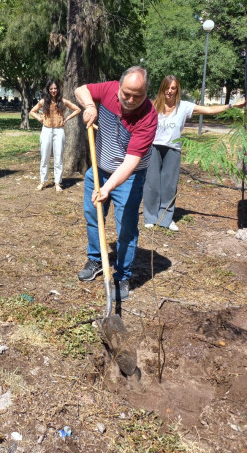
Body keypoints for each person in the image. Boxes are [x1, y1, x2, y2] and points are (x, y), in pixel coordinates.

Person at [75, 66, 158, 301]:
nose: (130, 100)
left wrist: (108, 187)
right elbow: (81, 89)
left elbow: (130, 162)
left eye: (137, 95)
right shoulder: (109, 89)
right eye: (126, 93)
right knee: (93, 215)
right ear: (119, 87)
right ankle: (96, 259)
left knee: (126, 228)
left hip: (128, 176)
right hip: (99, 168)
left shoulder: (149, 117)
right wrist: (91, 105)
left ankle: (122, 276)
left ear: (146, 92)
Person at [143, 75, 245, 231]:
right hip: (154, 147)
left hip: (173, 149)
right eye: (167, 87)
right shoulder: (153, 105)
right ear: (162, 88)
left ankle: (165, 219)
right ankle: (150, 217)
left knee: (170, 186)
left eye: (173, 88)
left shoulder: (184, 106)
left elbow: (209, 110)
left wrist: (232, 106)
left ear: (177, 90)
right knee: (152, 184)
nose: (170, 91)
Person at [29, 79, 81, 191]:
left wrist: (66, 118)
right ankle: (43, 181)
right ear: (48, 89)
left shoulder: (62, 101)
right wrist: (39, 118)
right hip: (46, 130)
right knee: (44, 156)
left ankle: (58, 182)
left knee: (58, 157)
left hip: (59, 131)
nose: (53, 90)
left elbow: (77, 109)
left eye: (55, 88)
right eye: (51, 88)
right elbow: (32, 111)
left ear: (58, 89)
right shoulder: (44, 101)